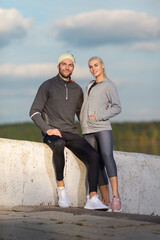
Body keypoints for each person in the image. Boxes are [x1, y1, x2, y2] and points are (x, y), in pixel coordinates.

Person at [29, 53, 108, 210]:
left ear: (73, 67)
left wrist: (100, 114)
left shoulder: (76, 89)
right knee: (59, 144)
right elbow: (34, 112)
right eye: (64, 64)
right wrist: (47, 129)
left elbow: (82, 115)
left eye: (70, 65)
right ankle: (61, 190)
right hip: (53, 133)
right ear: (58, 66)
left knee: (94, 155)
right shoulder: (47, 85)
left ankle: (92, 198)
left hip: (71, 132)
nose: (67, 67)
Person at [80, 56, 122, 212]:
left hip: (102, 126)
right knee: (95, 163)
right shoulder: (89, 85)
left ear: (102, 66)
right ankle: (105, 201)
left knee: (106, 156)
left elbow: (117, 107)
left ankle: (116, 198)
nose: (93, 69)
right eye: (90, 66)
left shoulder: (109, 85)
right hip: (88, 130)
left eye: (96, 65)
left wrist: (99, 116)